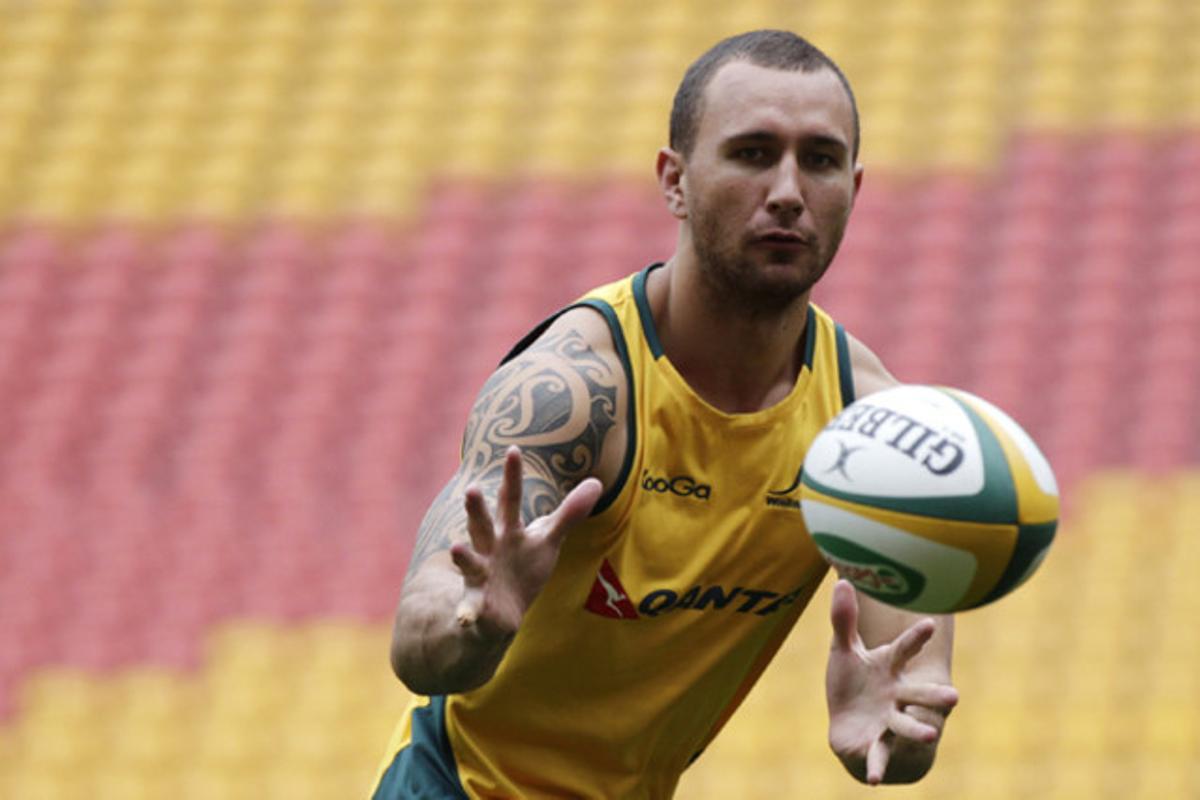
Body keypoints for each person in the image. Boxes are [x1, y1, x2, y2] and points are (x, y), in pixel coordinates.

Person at [373, 29, 958, 799]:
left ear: (855, 186)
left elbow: (912, 712)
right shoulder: (574, 390)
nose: (788, 190)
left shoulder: (874, 435)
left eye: (818, 160)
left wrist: (894, 735)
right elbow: (418, 645)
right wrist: (472, 624)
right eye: (752, 153)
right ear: (674, 181)